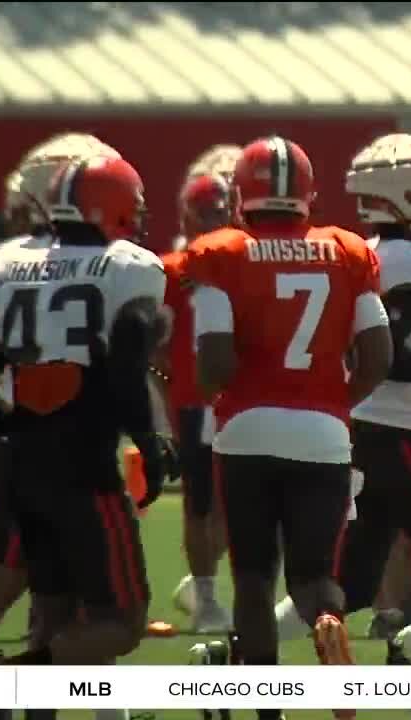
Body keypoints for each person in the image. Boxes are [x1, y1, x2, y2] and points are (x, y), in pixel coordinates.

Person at [188, 136, 392, 720]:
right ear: (307, 194)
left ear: (240, 194)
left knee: (254, 579)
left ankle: (267, 711)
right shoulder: (348, 251)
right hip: (324, 433)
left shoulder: (222, 254)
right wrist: (330, 401)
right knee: (312, 577)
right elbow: (378, 356)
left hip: (247, 430)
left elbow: (218, 364)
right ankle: (328, 625)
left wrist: (202, 384)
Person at [275, 134, 411, 717]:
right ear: (407, 194)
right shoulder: (410, 260)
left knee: (352, 585)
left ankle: (238, 650)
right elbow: (386, 357)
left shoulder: (361, 252)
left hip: (359, 434)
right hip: (403, 437)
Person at [0, 151, 173, 680]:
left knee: (49, 612)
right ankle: (6, 680)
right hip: (85, 466)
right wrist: (149, 440)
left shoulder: (10, 263)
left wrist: (6, 436)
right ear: (113, 209)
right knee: (121, 622)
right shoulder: (130, 268)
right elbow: (124, 370)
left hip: (19, 459)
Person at [164, 143, 241, 634]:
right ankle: (208, 594)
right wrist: (169, 390)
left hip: (239, 397)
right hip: (198, 401)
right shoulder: (171, 268)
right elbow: (154, 346)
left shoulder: (244, 259)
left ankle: (204, 590)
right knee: (201, 504)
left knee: (239, 505)